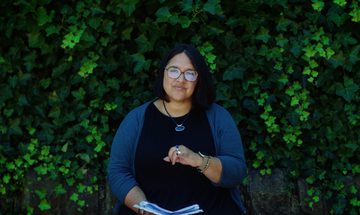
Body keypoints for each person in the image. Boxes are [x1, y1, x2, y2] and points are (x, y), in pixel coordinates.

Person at [108, 43, 247, 215]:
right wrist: (145, 209)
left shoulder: (218, 117)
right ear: (162, 73)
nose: (180, 79)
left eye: (190, 73)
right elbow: (118, 172)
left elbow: (236, 172)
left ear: (199, 79)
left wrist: (198, 160)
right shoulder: (137, 119)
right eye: (174, 70)